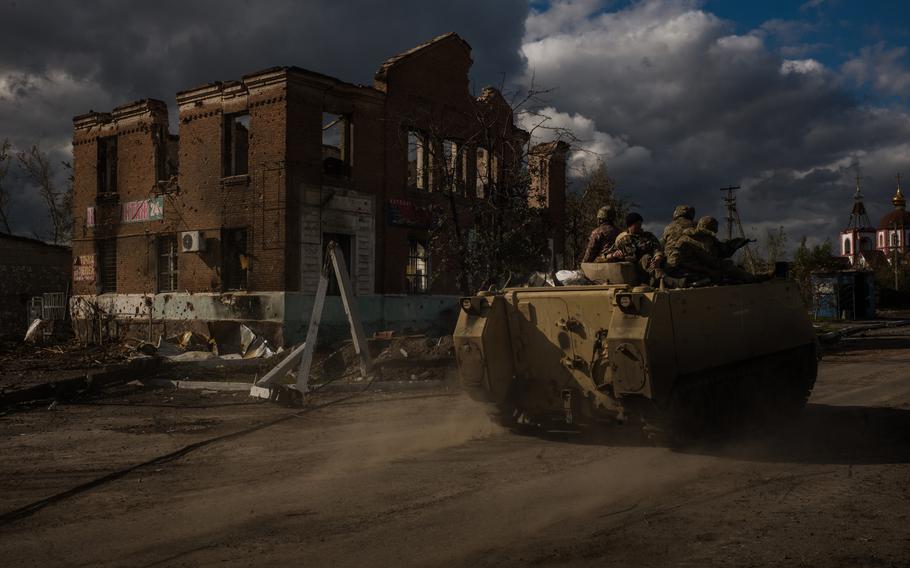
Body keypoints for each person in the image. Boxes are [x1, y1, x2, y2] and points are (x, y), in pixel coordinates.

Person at [668, 216, 754, 284]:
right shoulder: (703, 240)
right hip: (695, 272)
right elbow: (712, 262)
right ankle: (751, 278)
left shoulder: (686, 237)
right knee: (725, 269)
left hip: (684, 270)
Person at [602, 212, 666, 284]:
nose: (640, 226)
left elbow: (657, 249)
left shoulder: (648, 236)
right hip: (629, 271)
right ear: (630, 225)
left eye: (640, 224)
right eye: (637, 224)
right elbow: (605, 254)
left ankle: (661, 279)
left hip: (647, 268)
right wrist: (614, 255)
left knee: (646, 258)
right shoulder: (621, 239)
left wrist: (657, 259)